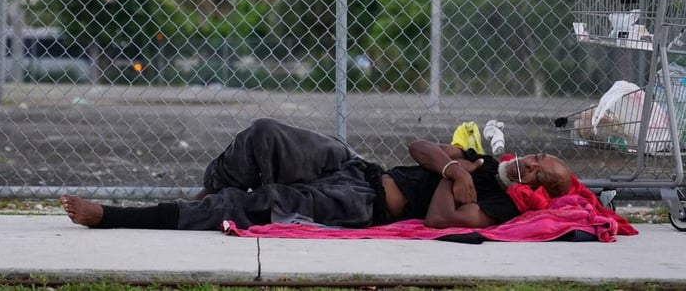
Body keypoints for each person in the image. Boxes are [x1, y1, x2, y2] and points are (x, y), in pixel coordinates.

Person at [61, 117, 573, 231]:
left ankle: (112, 216)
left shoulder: (504, 205)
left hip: (364, 207)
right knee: (266, 135)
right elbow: (420, 145)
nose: (528, 161)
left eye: (537, 170)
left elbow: (441, 220)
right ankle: (205, 195)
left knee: (256, 204)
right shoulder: (480, 158)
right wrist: (455, 163)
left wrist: (452, 177)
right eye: (535, 156)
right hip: (358, 170)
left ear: (535, 189)